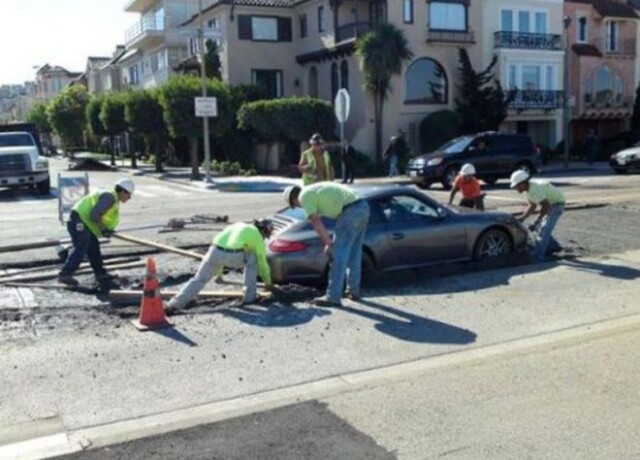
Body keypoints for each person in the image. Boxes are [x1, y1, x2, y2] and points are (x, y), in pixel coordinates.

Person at [283, 183, 370, 307]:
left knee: (337, 255)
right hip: (363, 207)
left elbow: (315, 222)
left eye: (296, 206)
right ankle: (354, 291)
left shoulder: (304, 197)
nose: (300, 207)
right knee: (354, 254)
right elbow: (321, 216)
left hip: (350, 211)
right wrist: (328, 242)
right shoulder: (313, 191)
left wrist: (329, 244)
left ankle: (333, 296)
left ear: (294, 199)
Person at [167, 219, 275, 310]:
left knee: (199, 279)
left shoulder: (238, 225)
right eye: (266, 234)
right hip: (232, 256)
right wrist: (268, 283)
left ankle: (173, 305)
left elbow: (223, 250)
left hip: (213, 251)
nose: (265, 237)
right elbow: (262, 262)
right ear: (263, 230)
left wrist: (219, 275)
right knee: (253, 259)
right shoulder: (257, 236)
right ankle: (249, 298)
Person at [57, 178, 135, 286]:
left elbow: (99, 216)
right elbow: (94, 215)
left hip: (85, 222)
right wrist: (103, 229)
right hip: (78, 220)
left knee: (93, 247)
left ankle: (100, 274)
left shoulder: (113, 198)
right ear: (123, 191)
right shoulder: (109, 198)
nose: (129, 198)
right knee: (82, 247)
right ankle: (65, 274)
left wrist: (106, 229)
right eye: (129, 195)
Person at [510, 170, 565, 262]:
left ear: (523, 183)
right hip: (551, 204)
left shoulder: (534, 189)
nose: (516, 188)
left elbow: (546, 205)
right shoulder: (529, 190)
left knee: (543, 230)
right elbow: (532, 206)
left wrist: (537, 221)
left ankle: (538, 257)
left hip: (556, 205)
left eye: (517, 186)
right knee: (542, 228)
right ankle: (554, 247)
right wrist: (522, 218)